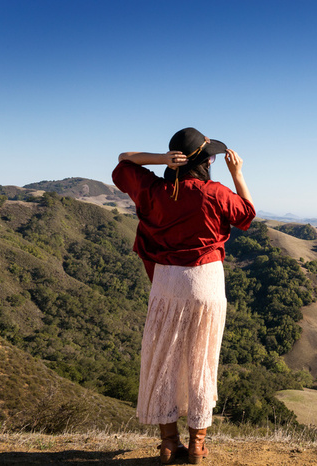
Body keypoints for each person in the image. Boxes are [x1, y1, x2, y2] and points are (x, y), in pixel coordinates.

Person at [112, 127, 255, 464]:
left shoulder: (154, 190)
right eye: (211, 158)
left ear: (176, 159)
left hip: (167, 282)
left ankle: (167, 443)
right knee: (200, 361)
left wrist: (161, 160)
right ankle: (197, 445)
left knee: (164, 359)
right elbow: (247, 215)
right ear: (203, 162)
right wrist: (238, 174)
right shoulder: (215, 192)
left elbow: (123, 162)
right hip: (206, 282)